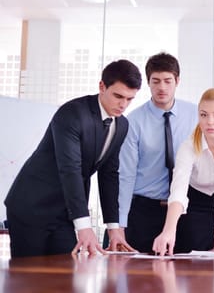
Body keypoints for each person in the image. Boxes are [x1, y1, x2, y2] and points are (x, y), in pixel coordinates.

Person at [4, 59, 142, 258]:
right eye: (118, 96)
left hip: (64, 213)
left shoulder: (122, 125)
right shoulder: (72, 114)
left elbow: (109, 175)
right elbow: (70, 169)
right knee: (28, 279)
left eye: (130, 99)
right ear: (102, 86)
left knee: (67, 277)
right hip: (32, 207)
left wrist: (114, 227)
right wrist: (84, 226)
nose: (123, 105)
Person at [152, 88, 214, 255]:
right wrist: (168, 230)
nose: (210, 121)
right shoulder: (188, 146)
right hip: (195, 201)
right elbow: (178, 190)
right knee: (193, 261)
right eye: (204, 115)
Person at [117, 52, 198, 253]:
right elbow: (126, 175)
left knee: (185, 277)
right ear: (148, 82)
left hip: (185, 209)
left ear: (177, 81)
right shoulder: (133, 121)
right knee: (140, 278)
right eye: (156, 81)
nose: (162, 87)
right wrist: (119, 224)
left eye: (167, 81)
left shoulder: (196, 115)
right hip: (145, 210)